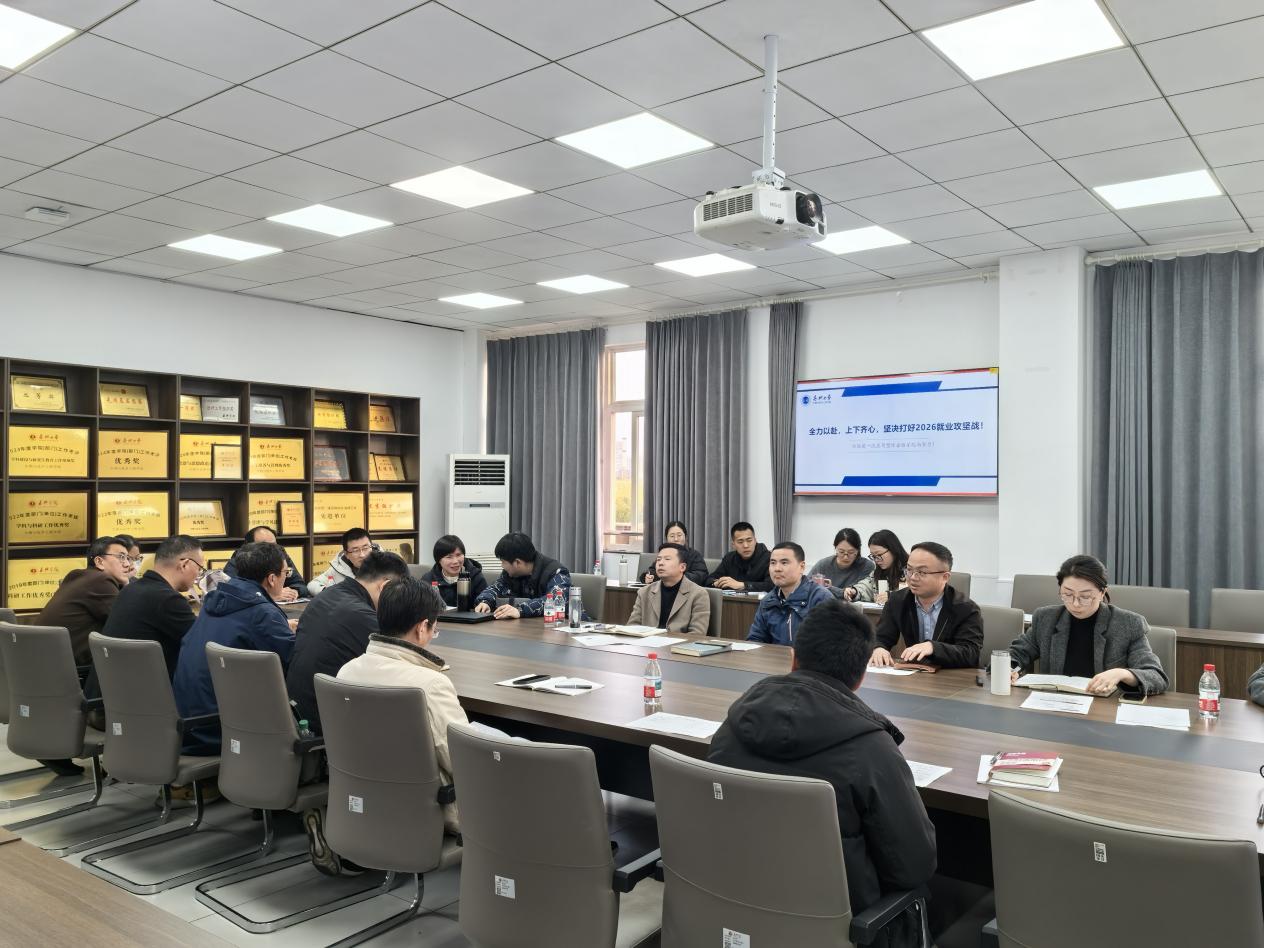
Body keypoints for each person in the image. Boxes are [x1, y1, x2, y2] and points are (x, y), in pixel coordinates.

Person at [710, 599, 936, 947]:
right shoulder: (872, 749)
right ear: (861, 677)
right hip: (841, 929)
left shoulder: (732, 727)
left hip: (732, 909)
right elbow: (914, 866)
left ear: (793, 658)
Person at [337, 577, 468, 835]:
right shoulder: (430, 685)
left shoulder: (346, 671)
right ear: (422, 628)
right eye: (434, 629)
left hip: (366, 801)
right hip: (429, 811)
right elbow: (462, 761)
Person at [172, 542, 297, 753]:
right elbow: (295, 664)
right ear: (272, 578)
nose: (286, 577)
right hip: (221, 729)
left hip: (187, 721)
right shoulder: (262, 613)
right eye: (286, 573)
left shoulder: (215, 599)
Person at [1007, 554, 1168, 696]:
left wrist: (1122, 673)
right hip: (1053, 704)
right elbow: (1017, 654)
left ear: (1102, 592)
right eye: (1067, 594)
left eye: (1085, 597)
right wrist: (1009, 669)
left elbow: (1156, 676)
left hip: (1103, 711)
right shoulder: (1046, 618)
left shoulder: (1128, 624)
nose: (1075, 604)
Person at [286, 551, 410, 732]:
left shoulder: (325, 596)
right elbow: (400, 671)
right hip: (329, 724)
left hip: (297, 712)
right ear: (385, 586)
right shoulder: (364, 617)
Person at [100, 535, 203, 677]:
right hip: (146, 688)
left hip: (111, 685)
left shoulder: (131, 589)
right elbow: (204, 643)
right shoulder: (168, 599)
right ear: (184, 564)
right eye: (199, 568)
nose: (198, 574)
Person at [872, 541, 982, 669]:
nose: (913, 577)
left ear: (945, 577)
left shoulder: (966, 608)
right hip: (915, 674)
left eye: (922, 572)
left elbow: (971, 653)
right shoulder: (898, 601)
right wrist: (878, 648)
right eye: (909, 569)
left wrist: (933, 647)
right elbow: (880, 637)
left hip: (952, 676)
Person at [38, 536, 134, 665]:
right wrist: (128, 586)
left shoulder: (80, 576)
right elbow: (128, 624)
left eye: (128, 558)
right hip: (69, 668)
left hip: (43, 661)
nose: (127, 564)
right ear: (99, 561)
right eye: (121, 557)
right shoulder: (100, 581)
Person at [746, 542, 833, 645]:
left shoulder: (821, 598)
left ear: (802, 567)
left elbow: (831, 644)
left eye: (784, 563)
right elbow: (755, 639)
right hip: (775, 655)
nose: (777, 569)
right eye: (773, 563)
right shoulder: (768, 601)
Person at [473, 532, 571, 619]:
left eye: (503, 562)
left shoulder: (557, 572)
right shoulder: (510, 573)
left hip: (555, 628)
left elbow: (557, 600)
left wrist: (521, 609)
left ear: (517, 562)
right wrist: (485, 601)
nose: (502, 566)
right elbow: (495, 588)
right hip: (522, 629)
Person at [627, 543, 710, 634]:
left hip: (679, 643)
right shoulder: (644, 592)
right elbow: (632, 628)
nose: (661, 563)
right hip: (647, 642)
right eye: (658, 559)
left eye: (667, 559)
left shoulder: (698, 594)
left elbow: (697, 634)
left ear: (682, 567)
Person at [226, 526, 306, 601]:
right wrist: (269, 595)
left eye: (274, 545)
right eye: (265, 546)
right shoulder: (242, 558)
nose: (271, 549)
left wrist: (294, 592)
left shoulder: (280, 554)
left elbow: (300, 585)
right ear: (250, 547)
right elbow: (229, 590)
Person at [419, 535, 488, 609]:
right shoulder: (428, 579)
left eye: (458, 555)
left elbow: (484, 604)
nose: (455, 561)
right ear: (439, 560)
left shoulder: (476, 577)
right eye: (449, 557)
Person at [808, 527, 874, 600]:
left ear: (858, 550)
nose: (845, 557)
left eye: (851, 552)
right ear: (835, 548)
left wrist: (829, 588)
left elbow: (863, 593)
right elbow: (807, 585)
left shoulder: (866, 566)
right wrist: (841, 592)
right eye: (841, 552)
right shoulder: (823, 565)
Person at [308, 528, 378, 596]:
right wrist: (330, 593)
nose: (362, 555)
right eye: (356, 550)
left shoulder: (384, 564)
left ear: (371, 547)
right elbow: (312, 585)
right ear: (346, 554)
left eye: (365, 548)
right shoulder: (339, 568)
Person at [706, 521, 772, 592]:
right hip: (733, 598)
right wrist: (716, 583)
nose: (745, 545)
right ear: (733, 544)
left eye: (749, 540)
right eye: (740, 542)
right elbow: (709, 579)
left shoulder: (769, 558)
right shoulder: (729, 558)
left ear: (755, 541)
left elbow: (771, 585)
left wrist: (743, 585)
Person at [850, 530, 910, 604]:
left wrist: (891, 596)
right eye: (873, 556)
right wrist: (855, 591)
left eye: (879, 555)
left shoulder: (910, 570)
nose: (876, 560)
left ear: (893, 549)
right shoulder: (878, 571)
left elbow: (912, 594)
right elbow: (866, 586)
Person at [641, 521, 708, 586]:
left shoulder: (694, 555)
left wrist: (676, 577)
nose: (676, 539)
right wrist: (649, 577)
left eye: (679, 535)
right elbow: (652, 571)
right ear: (667, 539)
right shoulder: (663, 554)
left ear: (685, 537)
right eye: (672, 536)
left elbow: (701, 575)